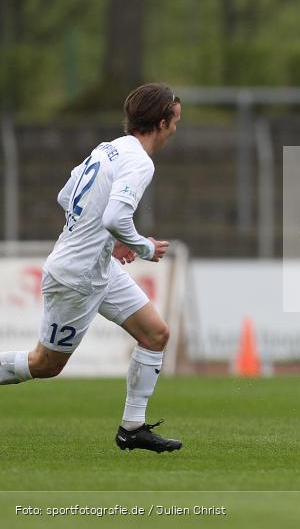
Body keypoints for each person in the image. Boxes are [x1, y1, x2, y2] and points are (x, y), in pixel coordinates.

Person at [0, 83, 182, 453]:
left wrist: (106, 241)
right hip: (77, 277)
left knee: (155, 334)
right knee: (45, 364)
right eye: (176, 121)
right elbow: (116, 214)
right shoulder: (140, 161)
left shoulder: (109, 148)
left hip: (97, 267)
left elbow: (66, 196)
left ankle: (132, 428)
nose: (176, 129)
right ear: (162, 123)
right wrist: (142, 246)